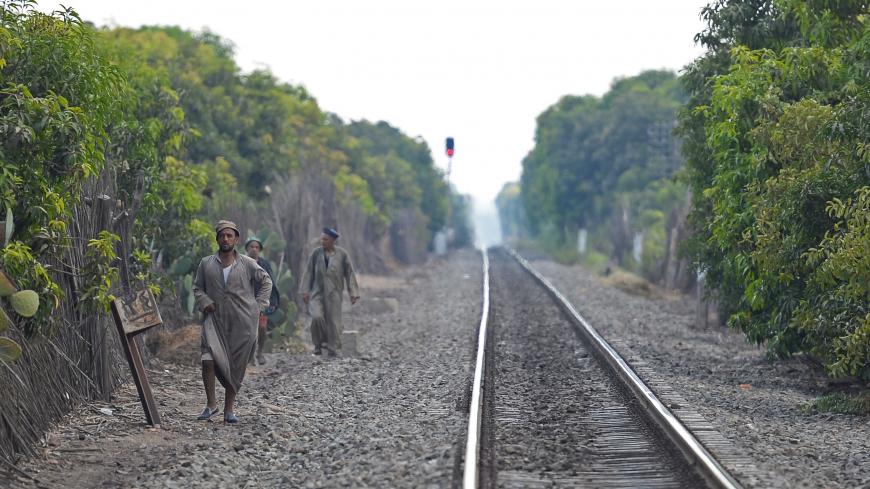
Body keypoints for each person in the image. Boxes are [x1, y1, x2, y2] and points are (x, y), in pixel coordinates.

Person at [193, 220, 272, 423]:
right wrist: (205, 301)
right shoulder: (206, 263)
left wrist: (258, 306)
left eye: (230, 235)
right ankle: (211, 404)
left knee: (235, 367)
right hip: (214, 321)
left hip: (241, 324)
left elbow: (266, 281)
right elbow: (197, 288)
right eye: (222, 235)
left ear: (236, 239)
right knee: (207, 360)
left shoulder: (247, 263)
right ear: (217, 238)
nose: (226, 239)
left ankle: (229, 409)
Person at [300, 227, 360, 357]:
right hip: (317, 293)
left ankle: (333, 347)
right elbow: (309, 272)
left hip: (334, 293)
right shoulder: (316, 254)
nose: (323, 242)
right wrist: (305, 290)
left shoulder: (342, 254)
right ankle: (318, 344)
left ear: (332, 240)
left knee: (334, 322)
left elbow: (349, 274)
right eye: (322, 239)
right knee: (317, 317)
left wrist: (353, 292)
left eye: (326, 239)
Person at [244, 236, 280, 365]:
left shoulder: (265, 264)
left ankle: (259, 353)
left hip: (261, 301)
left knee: (262, 328)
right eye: (251, 247)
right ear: (247, 248)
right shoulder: (240, 262)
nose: (254, 249)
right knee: (248, 330)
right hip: (244, 301)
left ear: (259, 250)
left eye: (256, 247)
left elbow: (271, 282)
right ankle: (249, 356)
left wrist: (273, 301)